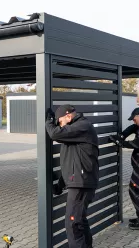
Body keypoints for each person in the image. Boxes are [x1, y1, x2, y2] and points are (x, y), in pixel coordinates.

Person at [46, 105, 99, 248]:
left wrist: (48, 122)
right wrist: (60, 185)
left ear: (68, 116)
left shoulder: (83, 126)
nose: (59, 126)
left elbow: (55, 134)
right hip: (80, 181)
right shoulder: (74, 135)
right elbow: (71, 163)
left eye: (60, 122)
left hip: (82, 183)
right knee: (78, 220)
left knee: (73, 223)